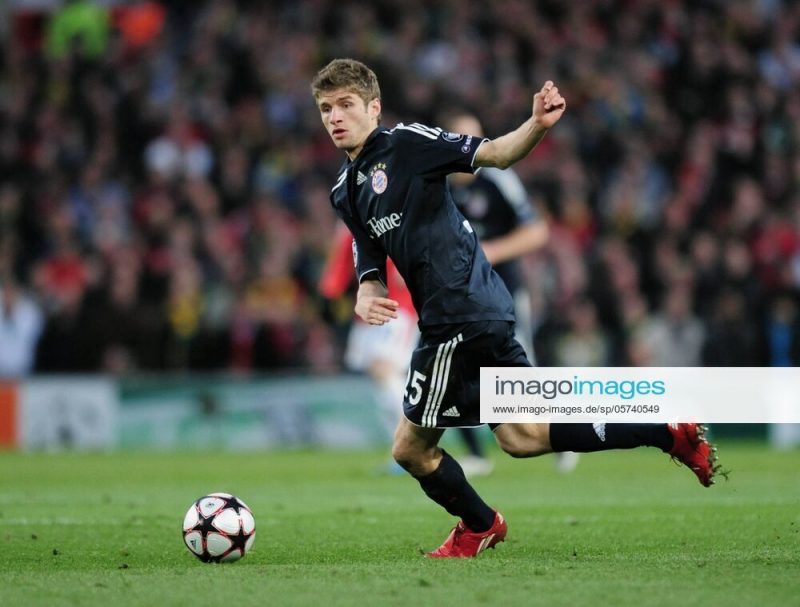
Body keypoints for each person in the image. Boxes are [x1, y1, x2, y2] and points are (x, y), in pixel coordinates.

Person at [312, 58, 720, 558]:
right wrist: (367, 288)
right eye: (326, 108)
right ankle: (667, 431)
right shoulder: (345, 190)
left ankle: (480, 525)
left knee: (410, 449)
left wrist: (536, 125)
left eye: (346, 104)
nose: (335, 116)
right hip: (478, 311)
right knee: (522, 436)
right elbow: (368, 250)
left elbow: (495, 153)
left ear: (374, 107)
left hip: (457, 315)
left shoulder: (408, 144)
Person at [444, 110, 578, 474]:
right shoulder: (437, 184)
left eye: (477, 138)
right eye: (463, 138)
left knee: (517, 368)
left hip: (501, 293)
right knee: (450, 365)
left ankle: (563, 433)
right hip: (457, 297)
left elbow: (537, 231)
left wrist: (490, 252)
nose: (473, 147)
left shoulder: (498, 180)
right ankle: (475, 455)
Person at [319, 223, 419, 472]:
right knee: (383, 376)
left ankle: (413, 445)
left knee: (385, 370)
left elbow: (335, 277)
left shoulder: (378, 221)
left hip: (397, 307)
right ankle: (403, 451)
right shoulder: (356, 225)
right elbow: (339, 270)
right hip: (371, 310)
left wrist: (330, 294)